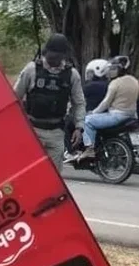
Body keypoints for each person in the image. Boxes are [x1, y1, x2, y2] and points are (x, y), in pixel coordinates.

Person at [13, 33, 86, 171]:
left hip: (56, 133)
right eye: (51, 56)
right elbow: (15, 96)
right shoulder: (31, 69)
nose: (53, 59)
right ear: (45, 52)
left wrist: (79, 127)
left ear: (64, 56)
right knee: (29, 172)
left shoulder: (72, 75)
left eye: (57, 57)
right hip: (32, 130)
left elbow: (79, 103)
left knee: (54, 176)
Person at [71, 55, 139, 161]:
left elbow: (105, 103)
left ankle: (90, 149)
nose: (110, 71)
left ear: (120, 69)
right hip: (132, 115)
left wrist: (93, 112)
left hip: (116, 115)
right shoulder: (133, 80)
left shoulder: (115, 83)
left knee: (87, 121)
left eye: (114, 69)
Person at [64, 59, 110, 155]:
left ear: (97, 71)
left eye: (90, 72)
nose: (88, 75)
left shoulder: (90, 86)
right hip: (106, 116)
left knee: (66, 123)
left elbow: (76, 99)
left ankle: (71, 151)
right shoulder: (110, 85)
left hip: (91, 116)